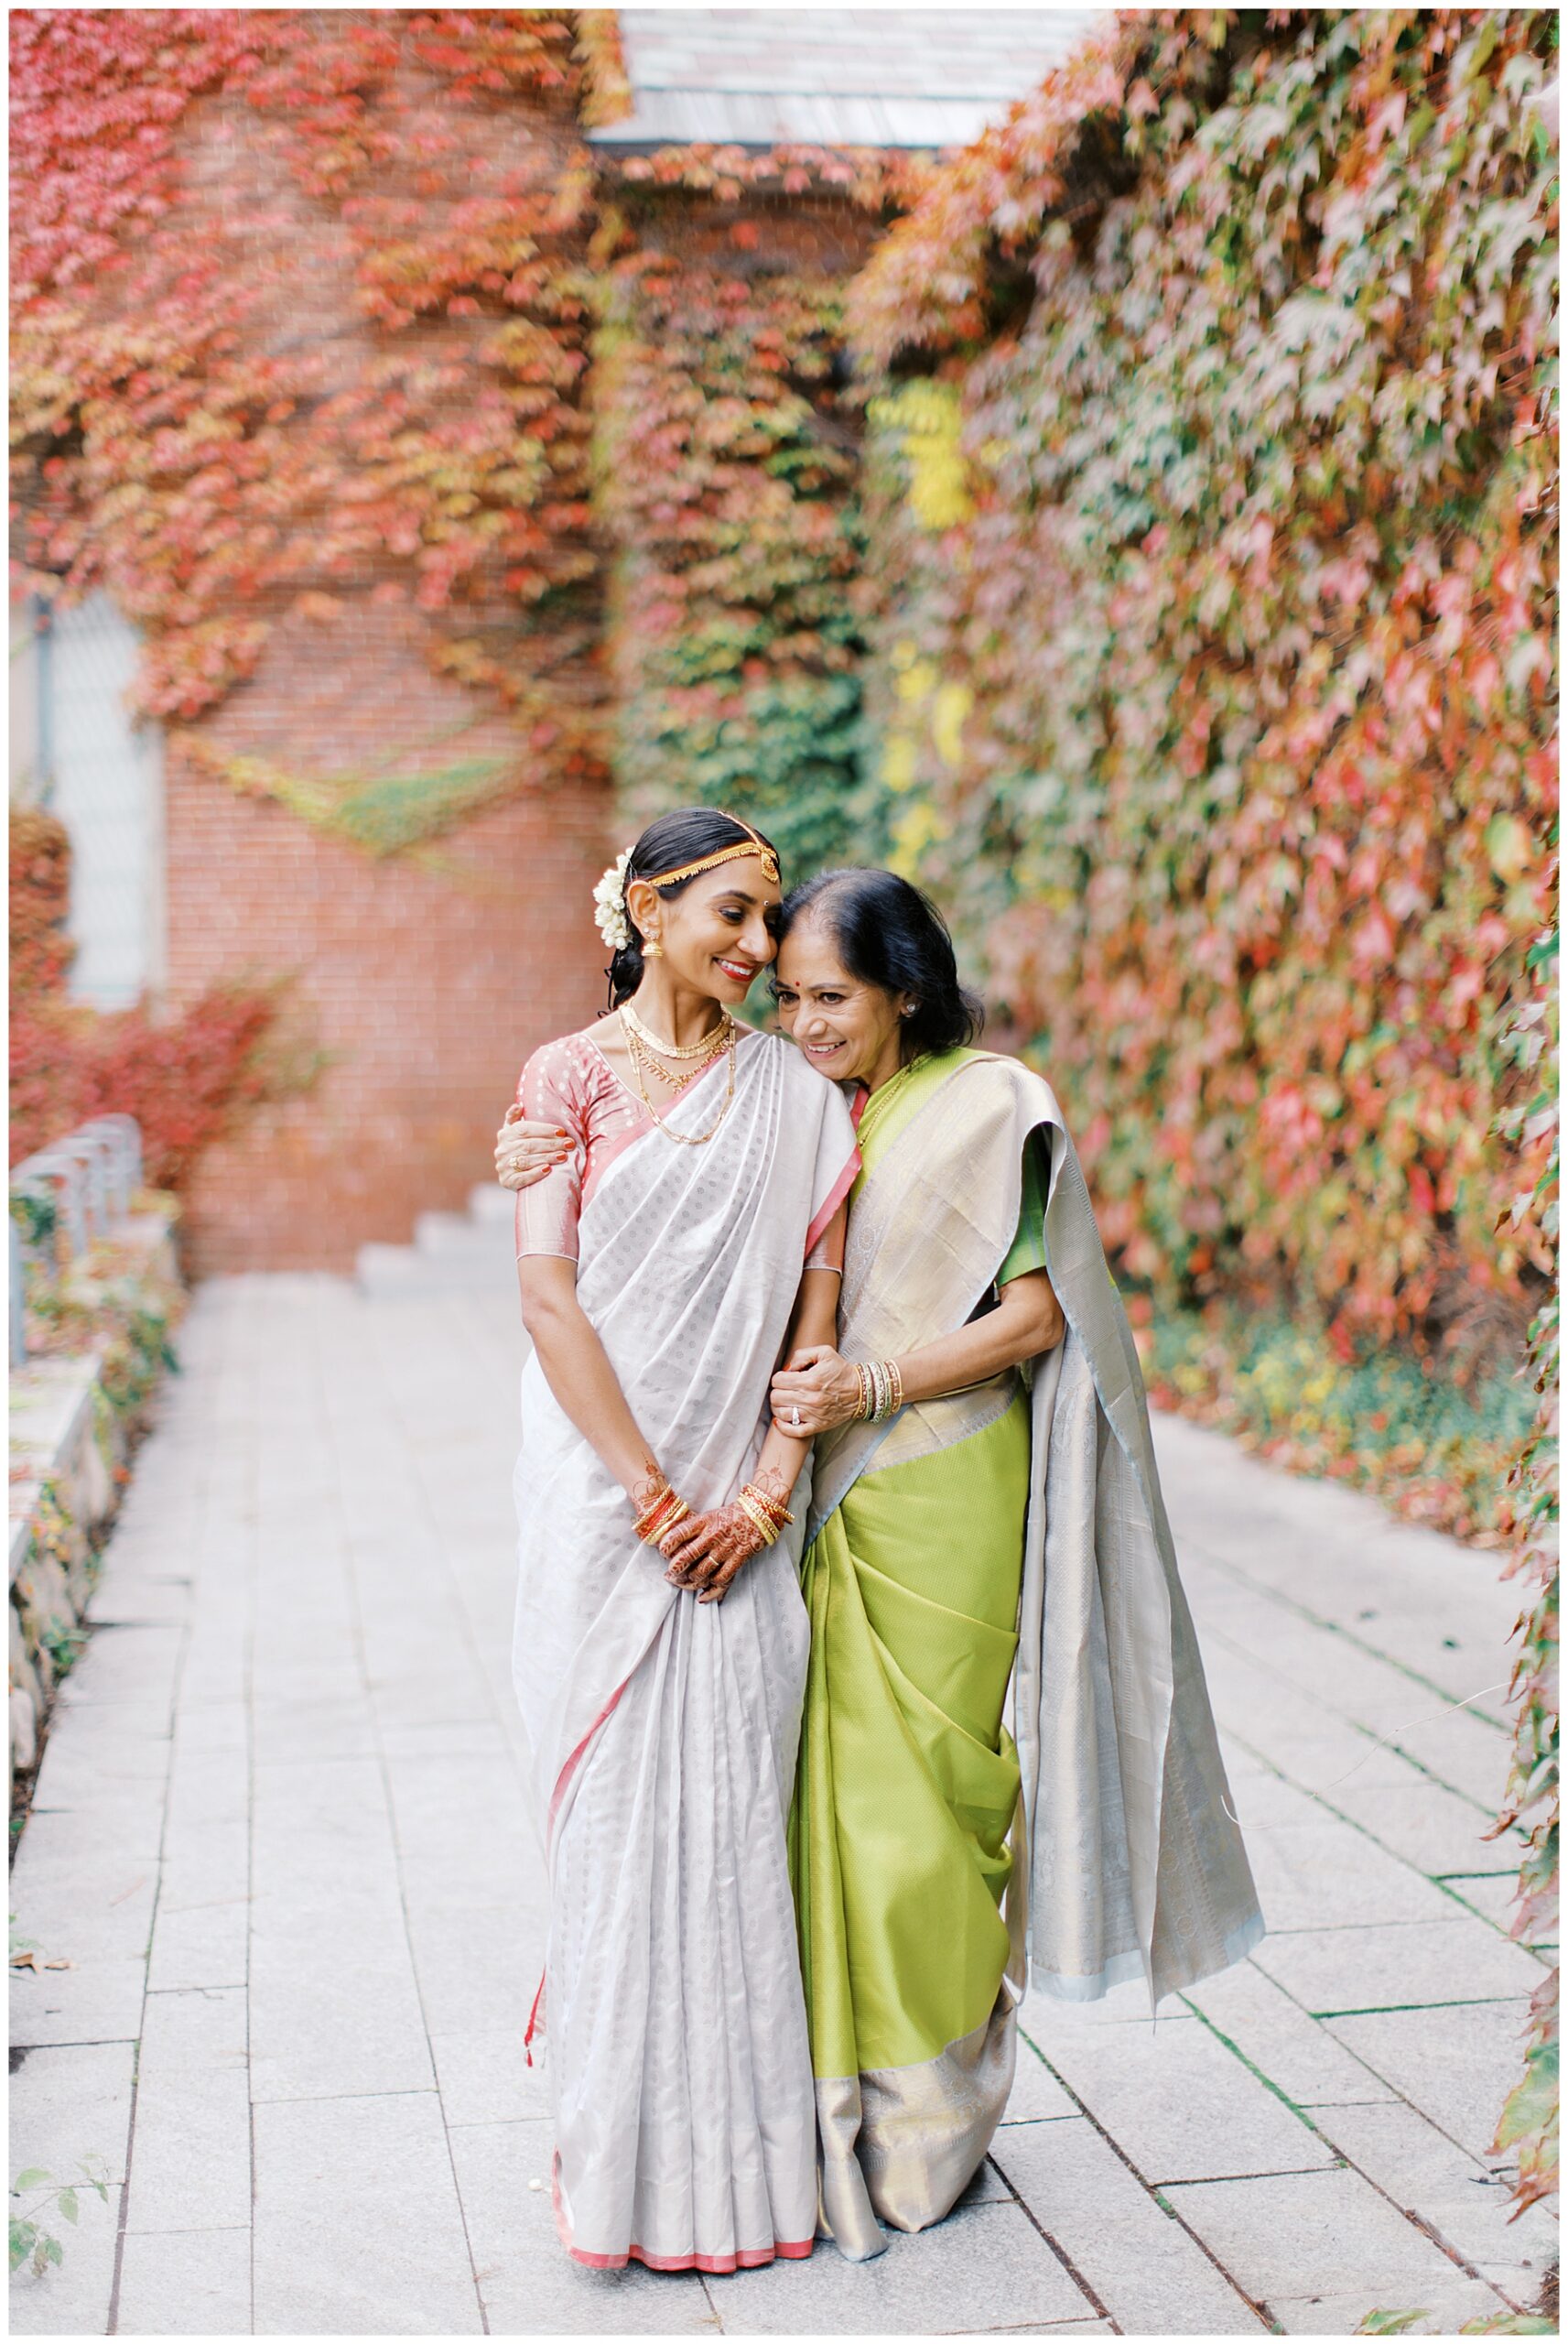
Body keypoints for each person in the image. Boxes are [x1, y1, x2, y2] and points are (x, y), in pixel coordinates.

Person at [499, 863, 1262, 2265]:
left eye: (831, 997)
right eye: (787, 996)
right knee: (805, 1819)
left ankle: (931, 2121)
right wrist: (538, 1156)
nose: (803, 1021)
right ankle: (814, 2118)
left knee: (920, 1817)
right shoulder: (783, 1101)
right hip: (799, 1509)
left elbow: (1035, 1317)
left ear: (906, 987)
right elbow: (636, 1170)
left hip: (933, 1482)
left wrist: (871, 1386)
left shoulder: (981, 1104)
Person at [507, 808, 859, 2274]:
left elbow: (812, 1321)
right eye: (727, 912)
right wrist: (654, 1499)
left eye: (768, 922)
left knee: (731, 1832)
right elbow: (546, 1301)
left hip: (742, 1522)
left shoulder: (794, 1094)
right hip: (608, 1507)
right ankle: (614, 2172)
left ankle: (746, 2187)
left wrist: (763, 1499)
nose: (756, 948)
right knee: (613, 1839)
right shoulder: (561, 1081)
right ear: (642, 910)